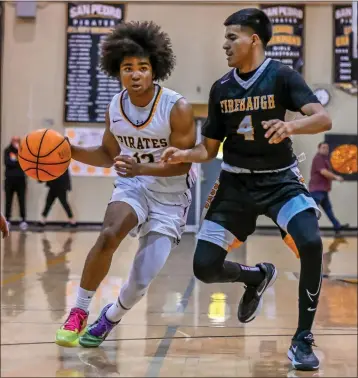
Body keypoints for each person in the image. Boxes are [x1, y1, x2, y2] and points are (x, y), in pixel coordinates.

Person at [161, 8, 332, 371]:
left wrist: (292, 127)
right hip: (235, 183)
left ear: (254, 39)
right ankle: (256, 277)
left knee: (312, 242)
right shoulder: (221, 88)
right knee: (204, 267)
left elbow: (323, 117)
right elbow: (208, 150)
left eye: (231, 37)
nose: (224, 45)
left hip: (279, 181)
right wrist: (183, 154)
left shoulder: (282, 76)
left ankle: (302, 339)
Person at [55, 21, 196, 348]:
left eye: (143, 68)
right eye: (127, 68)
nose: (135, 74)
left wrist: (141, 166)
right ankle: (78, 310)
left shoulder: (177, 108)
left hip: (171, 195)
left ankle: (111, 317)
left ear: (154, 70)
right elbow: (108, 153)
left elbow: (184, 164)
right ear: (117, 71)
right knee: (108, 235)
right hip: (133, 186)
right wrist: (70, 151)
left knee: (140, 280)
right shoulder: (115, 107)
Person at [309, 142, 349, 236]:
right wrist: (337, 177)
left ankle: (337, 226)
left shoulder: (325, 159)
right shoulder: (318, 158)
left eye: (327, 148)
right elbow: (323, 172)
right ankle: (309, 231)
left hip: (323, 190)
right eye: (323, 147)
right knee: (313, 211)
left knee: (328, 210)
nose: (326, 149)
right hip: (317, 190)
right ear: (318, 149)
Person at [4, 136, 28, 230]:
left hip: (21, 180)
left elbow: (25, 164)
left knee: (21, 200)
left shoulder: (23, 151)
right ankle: (7, 220)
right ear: (11, 141)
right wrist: (18, 161)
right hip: (9, 180)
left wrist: (17, 159)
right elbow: (7, 162)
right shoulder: (7, 150)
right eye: (14, 140)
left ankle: (23, 220)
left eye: (17, 141)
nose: (16, 142)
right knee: (8, 200)